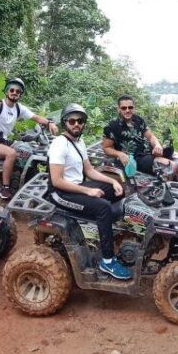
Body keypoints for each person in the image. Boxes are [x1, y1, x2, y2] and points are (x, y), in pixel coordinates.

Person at [47, 103, 131, 281]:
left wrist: (112, 182)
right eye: (72, 121)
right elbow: (57, 181)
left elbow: (90, 170)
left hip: (77, 186)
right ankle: (107, 261)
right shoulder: (59, 144)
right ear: (65, 123)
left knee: (117, 191)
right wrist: (88, 191)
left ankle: (105, 230)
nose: (76, 124)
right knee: (103, 207)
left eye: (80, 121)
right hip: (61, 194)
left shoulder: (79, 142)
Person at [0, 77, 57, 199]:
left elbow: (36, 117)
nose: (15, 92)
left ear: (20, 94)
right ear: (7, 92)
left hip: (3, 140)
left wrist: (49, 123)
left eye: (18, 91)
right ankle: (5, 189)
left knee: (26, 150)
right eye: (12, 90)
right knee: (11, 154)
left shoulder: (19, 108)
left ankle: (17, 177)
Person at [102, 95, 172, 176]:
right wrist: (120, 154)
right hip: (134, 158)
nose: (127, 110)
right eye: (124, 108)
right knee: (169, 167)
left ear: (133, 108)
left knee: (169, 150)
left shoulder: (138, 120)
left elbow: (150, 136)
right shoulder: (112, 126)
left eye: (130, 107)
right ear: (118, 109)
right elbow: (106, 148)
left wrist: (157, 145)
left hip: (147, 152)